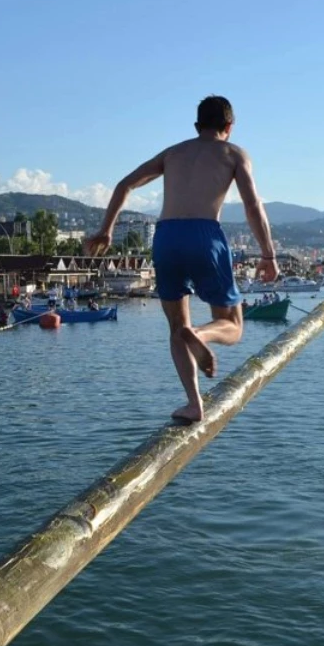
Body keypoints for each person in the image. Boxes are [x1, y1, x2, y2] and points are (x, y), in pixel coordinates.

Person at [85, 95, 279, 423]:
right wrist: (268, 253)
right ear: (229, 127)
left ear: (196, 126)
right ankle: (201, 335)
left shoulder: (173, 153)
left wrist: (106, 230)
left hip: (165, 237)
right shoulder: (233, 153)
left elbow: (124, 184)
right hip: (204, 234)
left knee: (177, 326)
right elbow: (252, 206)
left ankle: (193, 404)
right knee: (232, 326)